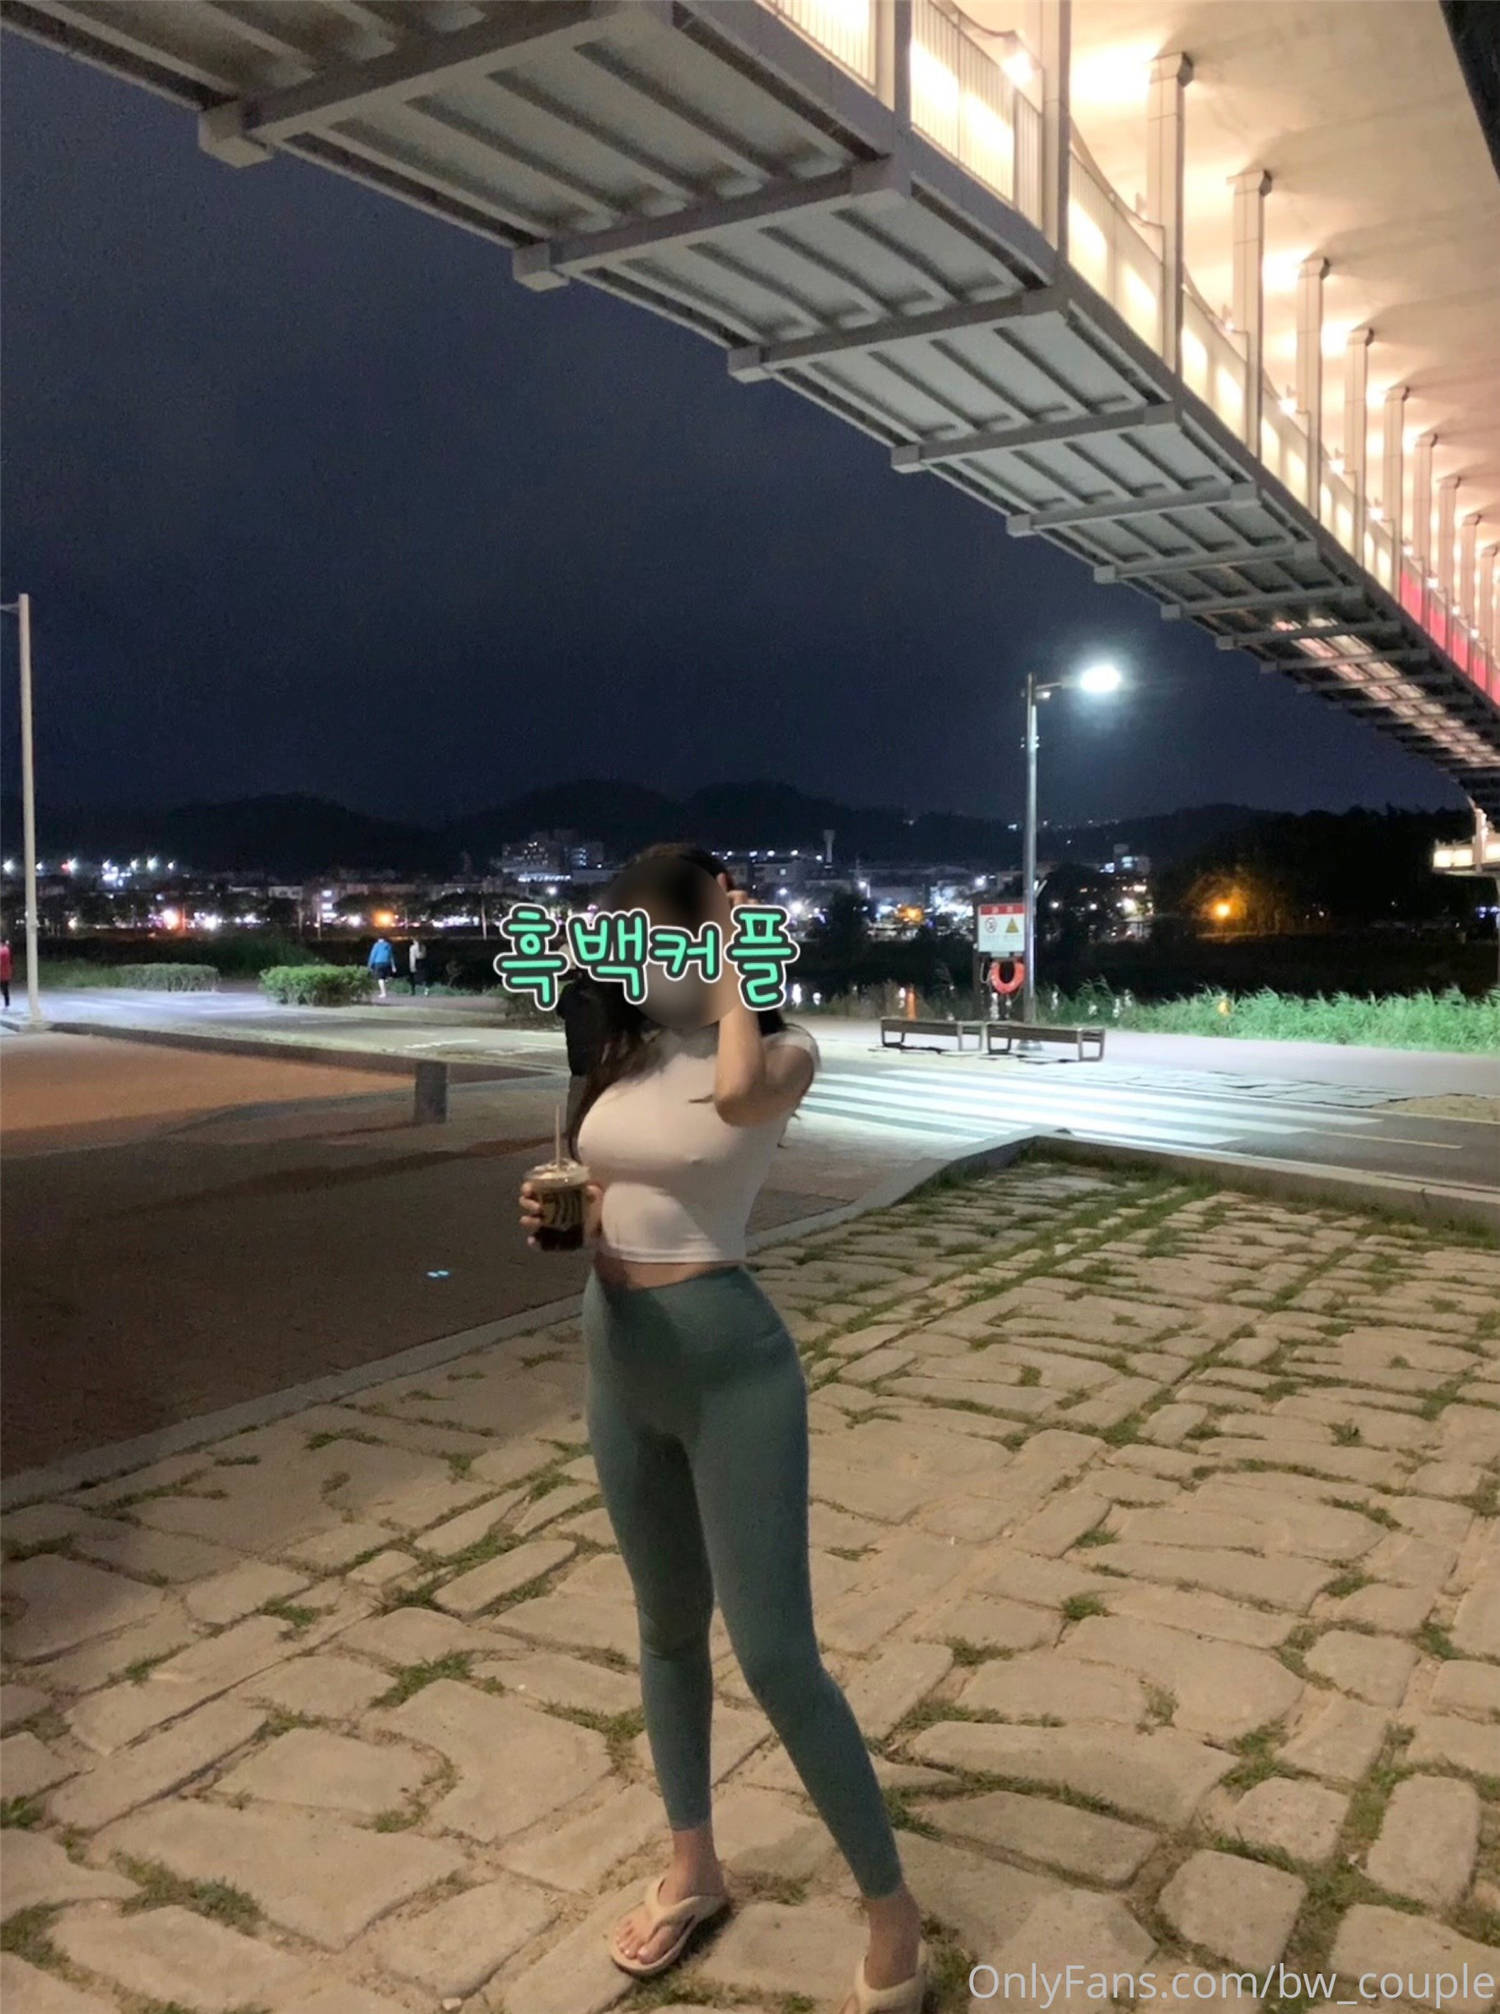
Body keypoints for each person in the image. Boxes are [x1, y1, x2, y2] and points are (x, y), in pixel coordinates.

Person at [519, 844, 925, 2014]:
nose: (647, 964)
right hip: (618, 1353)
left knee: (777, 1654)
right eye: (636, 943)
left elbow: (739, 1098)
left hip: (732, 1372)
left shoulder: (782, 1054)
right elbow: (613, 1187)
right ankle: (693, 1863)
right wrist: (553, 1217)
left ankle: (893, 1912)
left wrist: (741, 948)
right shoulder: (629, 1052)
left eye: (672, 939)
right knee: (664, 1628)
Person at [557, 965, 606, 1135]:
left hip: (576, 1050)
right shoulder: (602, 994)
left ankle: (572, 1128)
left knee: (577, 1089)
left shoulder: (569, 991)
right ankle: (591, 1128)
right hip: (598, 1051)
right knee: (596, 1092)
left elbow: (560, 1011)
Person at [367, 935, 396, 1000]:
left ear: (379, 939)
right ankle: (386, 987)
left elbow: (373, 955)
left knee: (380, 979)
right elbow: (391, 956)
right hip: (387, 963)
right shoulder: (388, 945)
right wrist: (393, 966)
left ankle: (383, 993)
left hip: (378, 963)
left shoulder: (376, 945)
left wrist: (369, 965)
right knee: (384, 978)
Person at [0, 935, 11, 1011]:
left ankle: (6, 1005)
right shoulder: (6, 949)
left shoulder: (3, 950)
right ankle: (7, 1004)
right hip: (6, 973)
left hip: (2, 973)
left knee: (4, 989)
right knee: (5, 989)